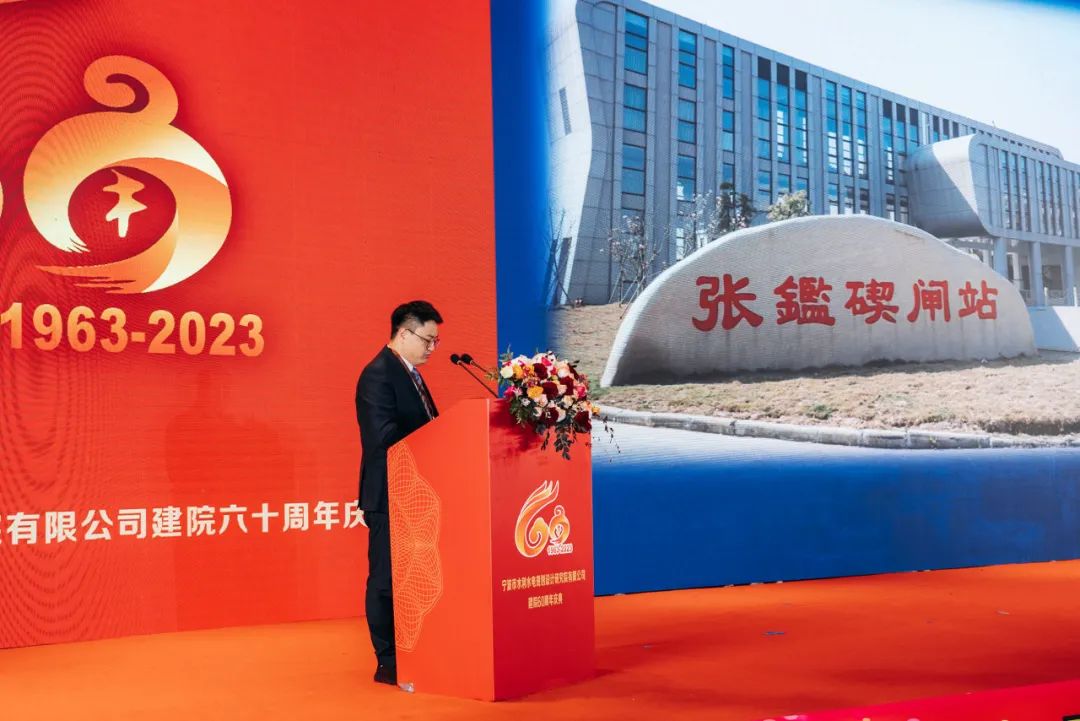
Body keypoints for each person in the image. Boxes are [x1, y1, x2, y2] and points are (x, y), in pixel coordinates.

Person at [355, 300, 442, 685]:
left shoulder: (410, 375)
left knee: (414, 575)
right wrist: (437, 439)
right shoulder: (378, 374)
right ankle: (387, 661)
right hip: (389, 493)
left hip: (416, 494)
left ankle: (418, 649)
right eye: (427, 339)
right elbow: (383, 437)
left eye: (436, 341)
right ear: (404, 333)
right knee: (386, 579)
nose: (432, 348)